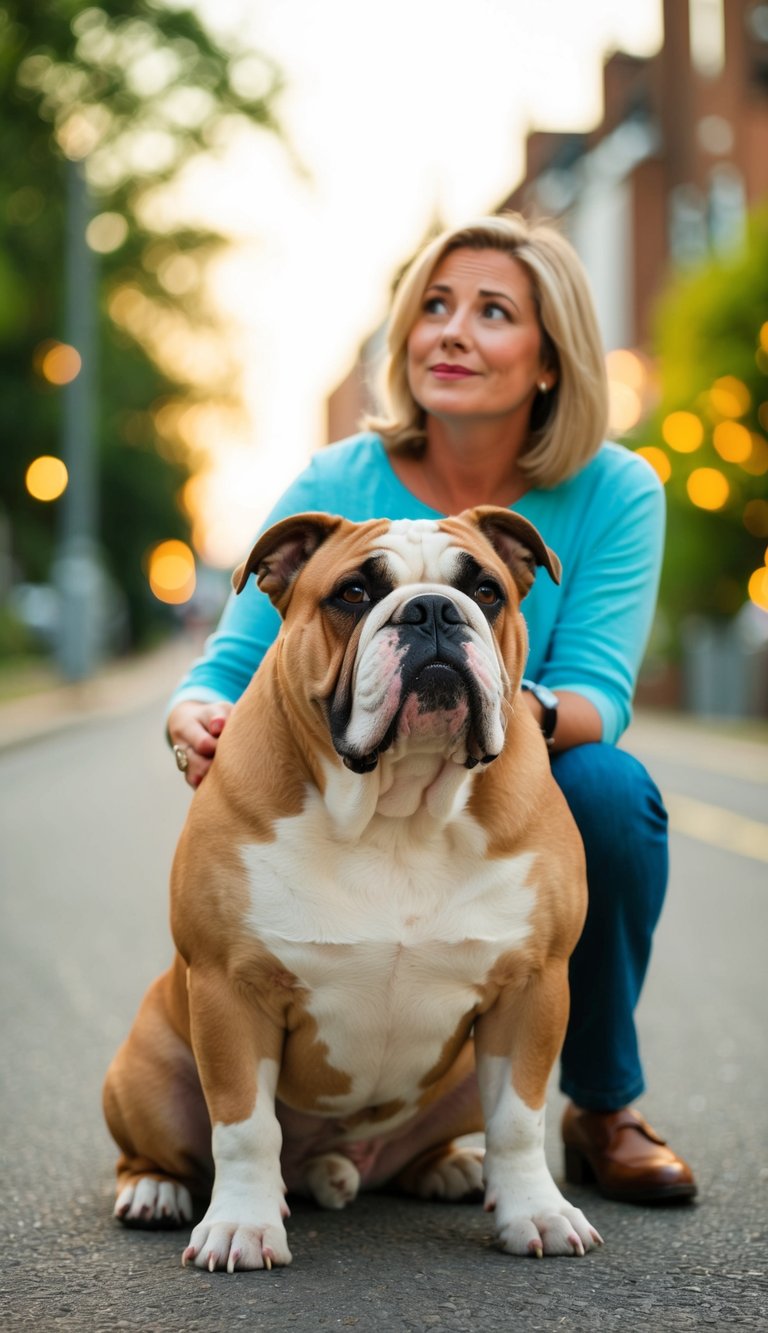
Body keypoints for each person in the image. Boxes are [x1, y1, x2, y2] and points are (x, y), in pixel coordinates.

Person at [167, 212, 697, 1205]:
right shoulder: (337, 481)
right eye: (434, 308)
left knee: (612, 794)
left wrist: (473, 704)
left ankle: (603, 1102)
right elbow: (237, 656)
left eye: (493, 312)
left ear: (551, 358)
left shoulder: (614, 488)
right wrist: (194, 708)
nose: (450, 332)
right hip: (347, 777)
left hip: (513, 759)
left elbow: (598, 693)